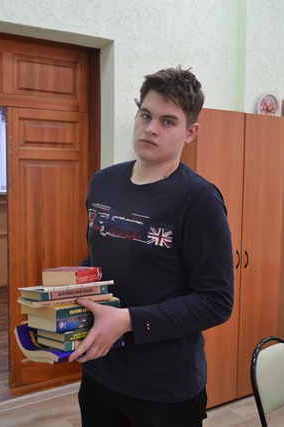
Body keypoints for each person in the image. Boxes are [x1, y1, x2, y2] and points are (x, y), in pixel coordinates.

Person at [67, 66, 234, 427]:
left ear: (190, 132)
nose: (151, 128)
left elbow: (216, 301)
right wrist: (66, 291)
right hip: (99, 371)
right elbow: (99, 257)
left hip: (165, 389)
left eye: (167, 121)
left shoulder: (199, 199)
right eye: (145, 115)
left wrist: (128, 321)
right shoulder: (103, 182)